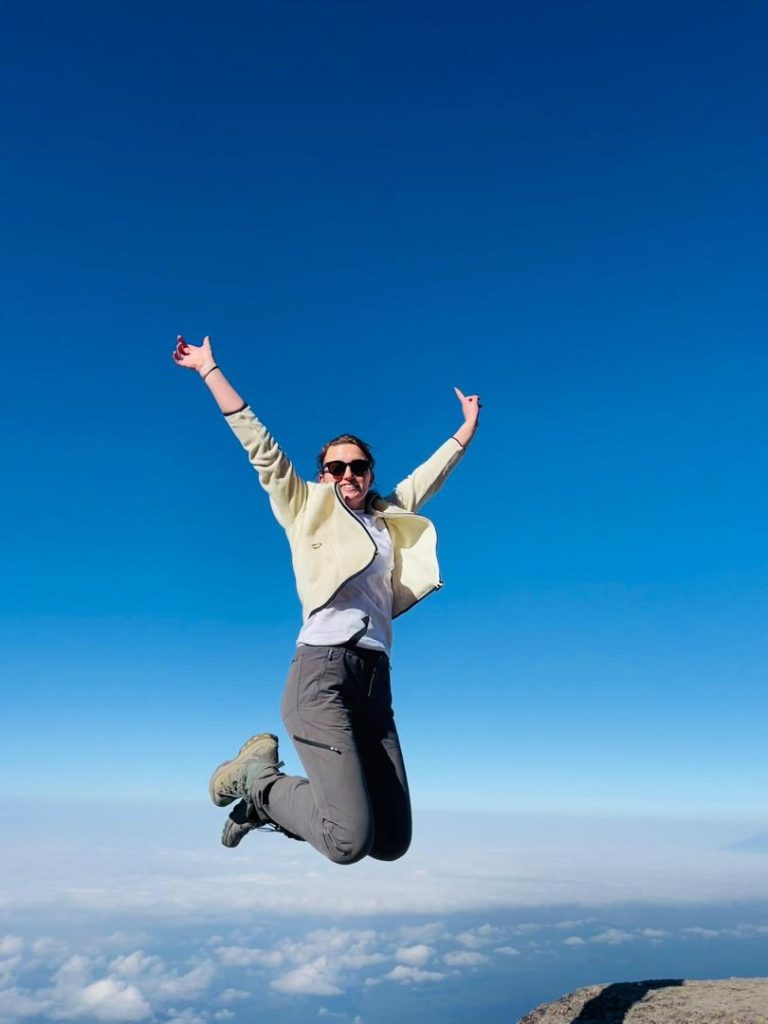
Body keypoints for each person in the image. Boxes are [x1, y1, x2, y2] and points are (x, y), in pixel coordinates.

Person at [173, 334, 481, 865]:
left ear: (369, 474)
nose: (347, 475)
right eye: (335, 468)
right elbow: (260, 448)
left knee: (390, 841)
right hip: (322, 672)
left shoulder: (387, 515)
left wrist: (466, 429)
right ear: (323, 476)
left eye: (357, 467)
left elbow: (427, 480)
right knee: (347, 843)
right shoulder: (303, 507)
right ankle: (258, 782)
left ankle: (268, 800)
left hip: (374, 681)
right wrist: (208, 369)